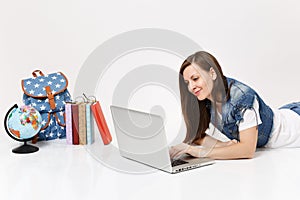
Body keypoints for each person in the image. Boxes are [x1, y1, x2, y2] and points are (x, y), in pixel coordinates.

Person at [169, 51, 300, 160]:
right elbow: (198, 137)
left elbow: (247, 150)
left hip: (294, 128)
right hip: (283, 114)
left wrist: (197, 151)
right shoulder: (205, 100)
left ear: (212, 73)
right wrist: (223, 145)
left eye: (195, 78)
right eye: (187, 82)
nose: (191, 87)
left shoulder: (243, 98)